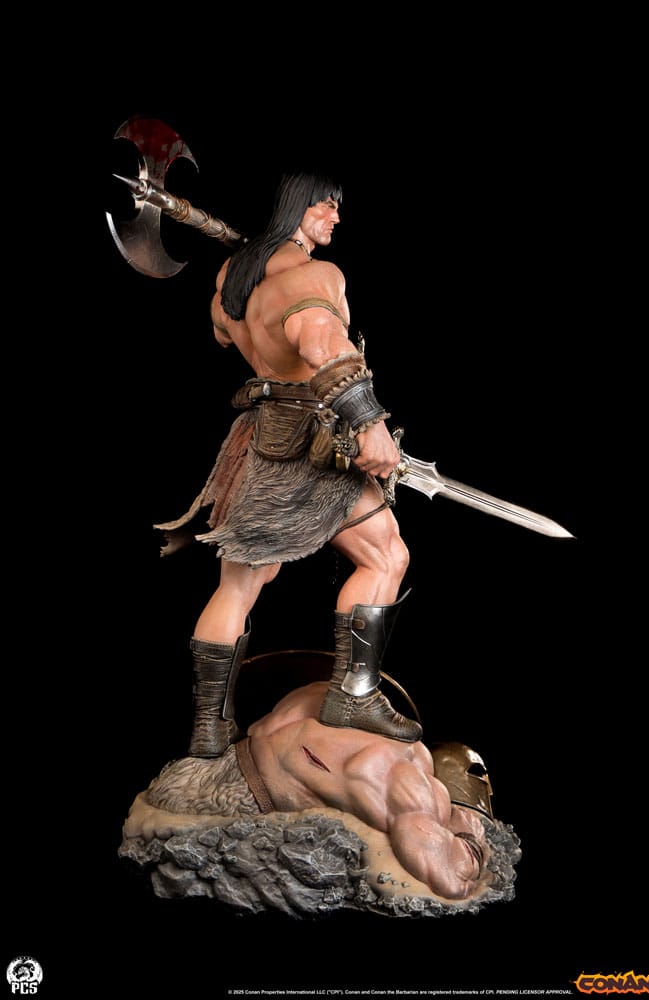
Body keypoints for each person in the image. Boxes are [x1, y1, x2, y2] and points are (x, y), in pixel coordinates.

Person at [155, 171, 422, 757]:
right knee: (386, 555)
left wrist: (262, 267)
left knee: (239, 583)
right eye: (326, 206)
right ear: (297, 207)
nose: (335, 217)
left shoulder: (230, 283)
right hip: (315, 441)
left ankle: (208, 728)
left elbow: (229, 337)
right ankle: (353, 695)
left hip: (259, 441)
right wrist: (372, 426)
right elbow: (323, 348)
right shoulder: (316, 277)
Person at [131, 680, 520, 905]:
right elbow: (451, 878)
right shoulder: (410, 792)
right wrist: (471, 837)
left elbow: (451, 874)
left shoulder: (383, 764)